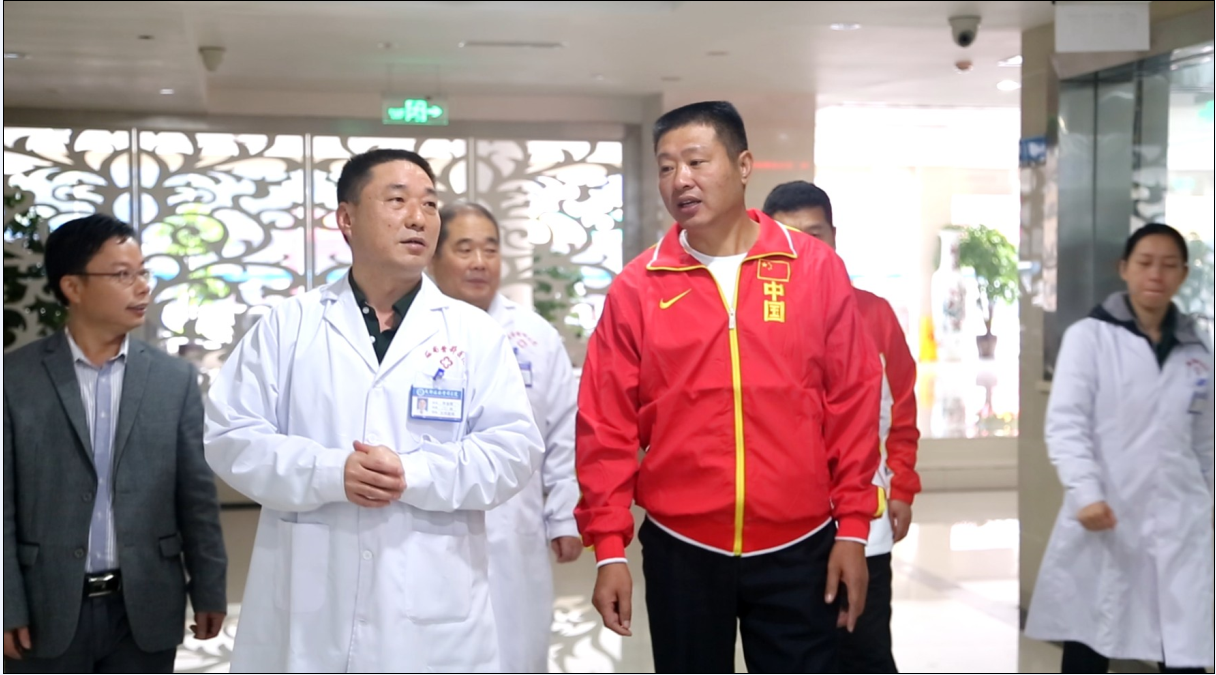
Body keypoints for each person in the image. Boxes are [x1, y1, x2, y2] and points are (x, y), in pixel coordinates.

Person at [203, 149, 544, 673]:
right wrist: (329, 471)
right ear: (347, 218)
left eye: (429, 204)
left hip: (434, 606)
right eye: (397, 200)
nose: (418, 218)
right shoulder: (289, 326)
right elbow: (231, 436)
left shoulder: (474, 334)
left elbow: (514, 448)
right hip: (312, 606)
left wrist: (414, 473)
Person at [575, 101, 883, 673]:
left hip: (801, 545)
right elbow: (605, 425)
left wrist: (855, 530)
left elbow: (852, 402)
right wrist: (609, 549)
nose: (680, 180)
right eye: (666, 167)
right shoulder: (638, 287)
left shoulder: (813, 268)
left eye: (696, 161)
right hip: (682, 546)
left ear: (743, 166)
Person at [3, 214, 228, 673]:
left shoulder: (173, 380)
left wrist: (209, 589)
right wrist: (7, 602)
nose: (142, 287)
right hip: (46, 607)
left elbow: (196, 498)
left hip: (145, 606)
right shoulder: (15, 379)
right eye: (123, 275)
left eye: (143, 272)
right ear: (73, 286)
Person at [1024, 223, 1214, 674]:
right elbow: (1067, 424)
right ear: (1124, 268)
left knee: (1184, 645)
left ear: (1184, 274)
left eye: (1169, 265)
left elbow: (1206, 439)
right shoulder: (1090, 337)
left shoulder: (1198, 349)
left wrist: (1208, 499)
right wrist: (1086, 493)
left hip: (1180, 520)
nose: (1156, 275)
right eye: (1145, 263)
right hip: (1107, 514)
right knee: (1091, 634)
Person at [762, 181, 921, 673]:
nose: (803, 250)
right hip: (784, 524)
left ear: (834, 236)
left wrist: (902, 486)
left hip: (864, 516)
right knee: (796, 653)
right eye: (789, 238)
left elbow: (901, 408)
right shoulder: (756, 317)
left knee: (864, 648)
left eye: (815, 235)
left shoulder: (873, 313)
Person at [428, 201, 582, 674]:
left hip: (516, 531)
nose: (480, 262)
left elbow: (563, 433)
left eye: (490, 249)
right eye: (465, 249)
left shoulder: (534, 336)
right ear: (433, 258)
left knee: (516, 650)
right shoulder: (415, 332)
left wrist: (564, 517)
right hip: (431, 528)